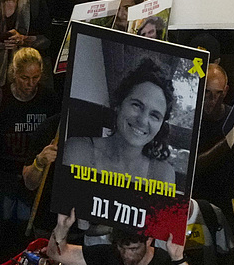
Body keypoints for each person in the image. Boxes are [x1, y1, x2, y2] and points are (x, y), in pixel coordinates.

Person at [60, 56, 185, 188]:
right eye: (136, 105)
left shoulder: (162, 175)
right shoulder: (78, 151)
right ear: (118, 104)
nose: (142, 120)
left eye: (155, 115)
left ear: (161, 126)